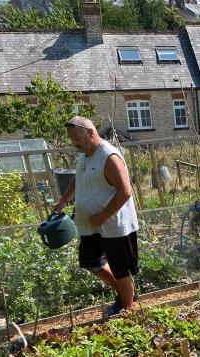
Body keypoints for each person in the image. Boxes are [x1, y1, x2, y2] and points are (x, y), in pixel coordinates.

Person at [52, 116, 139, 317]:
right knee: (91, 261)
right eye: (72, 139)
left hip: (113, 225)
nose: (74, 143)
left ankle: (128, 309)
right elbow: (79, 177)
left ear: (91, 133)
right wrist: (64, 200)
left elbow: (125, 191)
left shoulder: (109, 156)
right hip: (91, 225)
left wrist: (103, 215)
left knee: (121, 268)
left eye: (77, 138)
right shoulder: (85, 155)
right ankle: (123, 296)